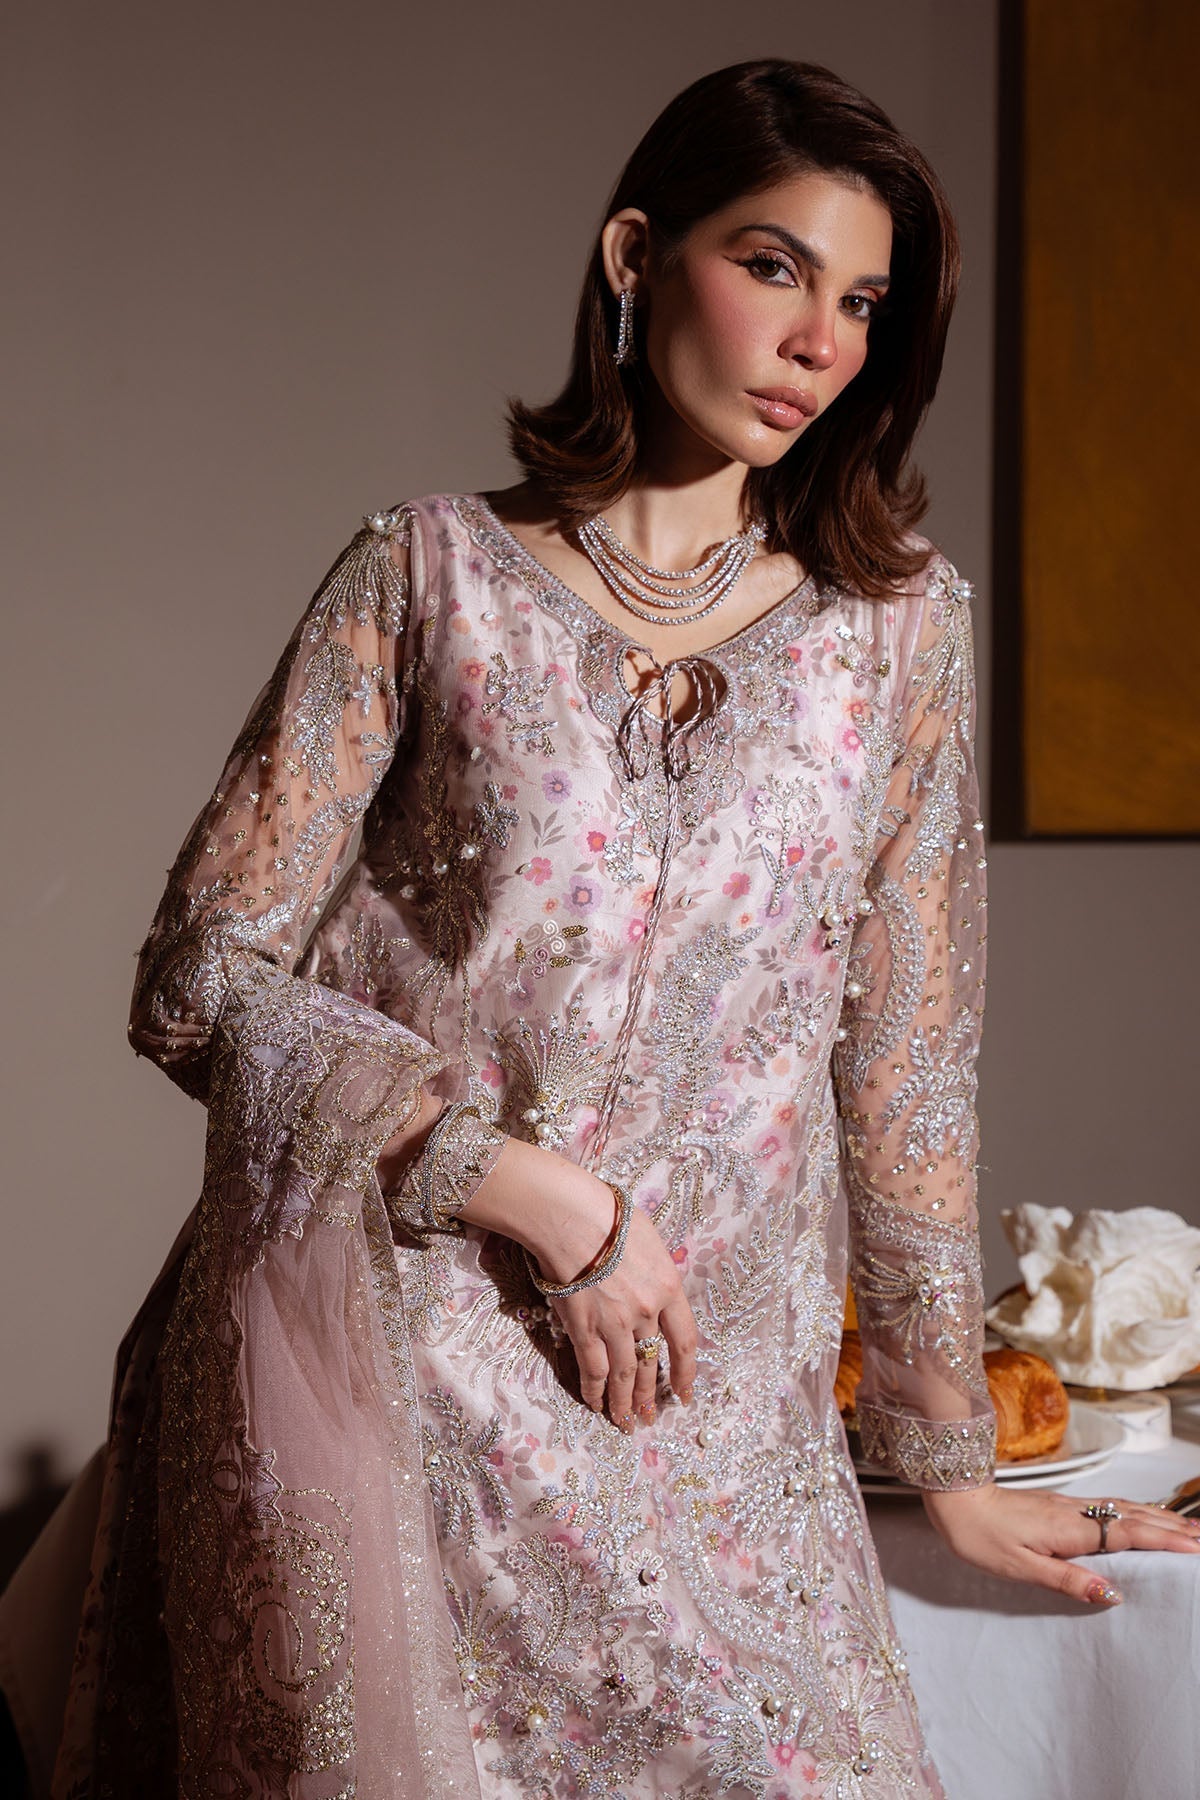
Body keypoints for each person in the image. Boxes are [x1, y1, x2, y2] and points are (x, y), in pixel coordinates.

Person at [4, 54, 1198, 1800]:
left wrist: (946, 1457)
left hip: (718, 1419)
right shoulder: (427, 577)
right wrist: (536, 1195)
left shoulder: (897, 635)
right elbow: (200, 975)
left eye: (864, 303)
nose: (822, 342)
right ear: (637, 258)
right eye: (774, 266)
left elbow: (910, 1063)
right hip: (416, 1378)